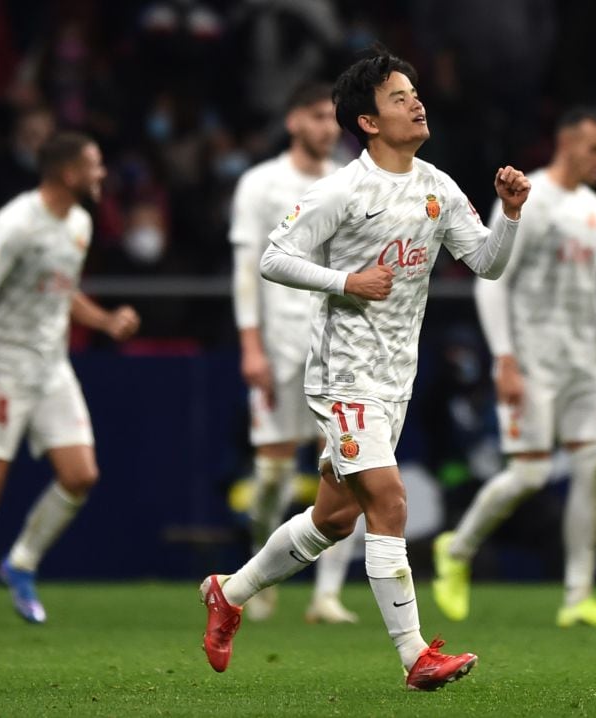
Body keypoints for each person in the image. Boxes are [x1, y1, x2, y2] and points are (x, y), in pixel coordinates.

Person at [199, 50, 531, 690]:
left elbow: (488, 263)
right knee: (389, 500)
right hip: (342, 375)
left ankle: (228, 592)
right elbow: (275, 257)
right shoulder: (341, 190)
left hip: (395, 378)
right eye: (399, 96)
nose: (416, 102)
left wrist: (509, 214)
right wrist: (345, 280)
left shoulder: (437, 187)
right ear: (369, 121)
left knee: (334, 518)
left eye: (414, 92)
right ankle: (416, 657)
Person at [430, 109, 596, 628]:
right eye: (594, 150)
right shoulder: (530, 197)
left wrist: (595, 354)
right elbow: (491, 279)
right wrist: (504, 359)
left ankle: (578, 596)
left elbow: (590, 293)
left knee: (594, 469)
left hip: (583, 363)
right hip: (532, 360)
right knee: (530, 473)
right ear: (566, 142)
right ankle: (457, 550)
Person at [0, 132, 141, 629]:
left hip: (53, 365)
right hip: (5, 364)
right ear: (69, 173)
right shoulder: (14, 224)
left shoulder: (78, 223)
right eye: (95, 165)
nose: (102, 174)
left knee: (81, 475)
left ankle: (20, 563)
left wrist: (103, 321)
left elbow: (62, 290)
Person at [229, 81, 362, 624]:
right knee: (271, 475)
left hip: (337, 343)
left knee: (349, 467)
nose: (327, 128)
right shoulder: (260, 184)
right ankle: (263, 570)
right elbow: (246, 269)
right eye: (315, 116)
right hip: (279, 345)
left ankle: (326, 596)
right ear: (292, 121)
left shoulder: (351, 179)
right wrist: (250, 344)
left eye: (332, 118)